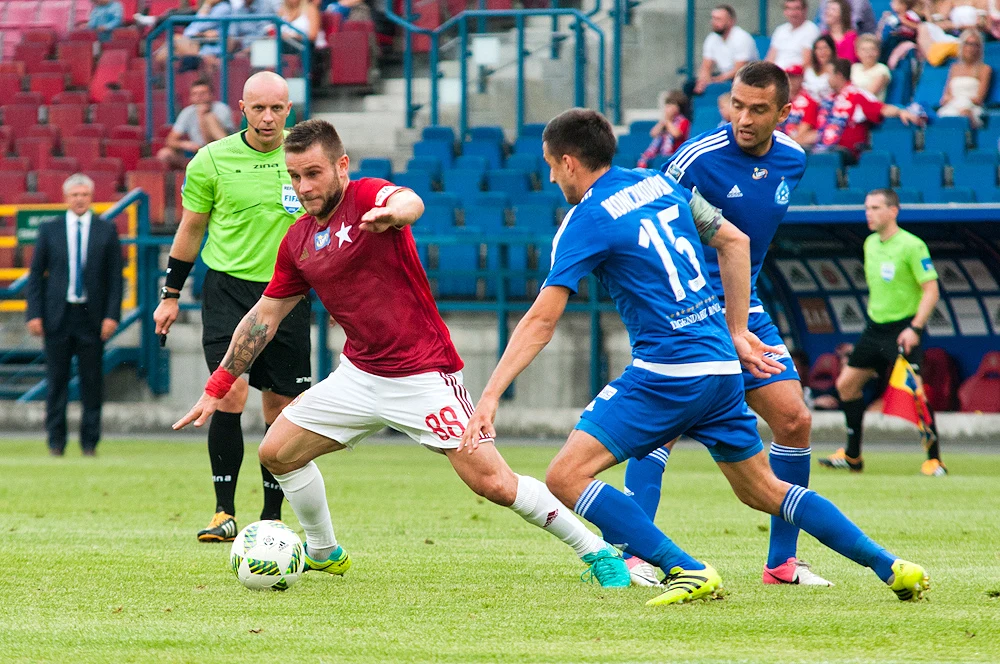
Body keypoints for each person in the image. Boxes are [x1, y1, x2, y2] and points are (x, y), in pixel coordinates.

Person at [461, 107, 930, 607]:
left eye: (552, 165)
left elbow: (541, 321)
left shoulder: (585, 219)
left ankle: (685, 568)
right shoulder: (658, 185)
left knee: (565, 476)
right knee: (764, 490)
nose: (552, 176)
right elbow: (734, 239)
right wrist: (737, 331)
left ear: (571, 162)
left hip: (669, 369)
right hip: (721, 365)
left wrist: (489, 396)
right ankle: (891, 566)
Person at [173, 118, 633, 588]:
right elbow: (263, 317)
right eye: (294, 176)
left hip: (423, 377)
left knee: (494, 483)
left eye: (313, 173)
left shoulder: (368, 196)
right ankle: (325, 551)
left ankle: (598, 552)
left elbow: (408, 200)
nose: (303, 186)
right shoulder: (299, 241)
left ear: (342, 166)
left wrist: (396, 214)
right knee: (277, 453)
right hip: (358, 375)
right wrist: (218, 385)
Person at [622, 62, 827, 588]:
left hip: (745, 307)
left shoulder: (793, 161)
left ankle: (781, 564)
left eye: (758, 110)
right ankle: (635, 555)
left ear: (784, 112)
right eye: (737, 105)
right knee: (660, 430)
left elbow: (750, 245)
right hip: (684, 308)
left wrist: (739, 312)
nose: (744, 118)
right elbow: (648, 219)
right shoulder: (695, 159)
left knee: (793, 420)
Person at [154, 72, 312, 543]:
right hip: (227, 291)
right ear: (241, 107)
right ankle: (224, 511)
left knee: (280, 405)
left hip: (287, 294)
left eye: (277, 109)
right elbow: (191, 228)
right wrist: (170, 294)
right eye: (258, 108)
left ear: (289, 110)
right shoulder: (211, 159)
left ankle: (271, 516)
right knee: (229, 394)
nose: (268, 118)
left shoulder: (305, 157)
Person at [821, 189, 946, 476]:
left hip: (903, 330)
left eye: (876, 207)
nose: (869, 213)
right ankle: (853, 456)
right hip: (874, 329)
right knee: (846, 386)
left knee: (916, 394)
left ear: (893, 211)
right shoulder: (869, 244)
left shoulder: (912, 245)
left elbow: (931, 290)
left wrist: (915, 328)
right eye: (867, 208)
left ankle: (934, 459)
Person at [25, 175, 123, 457]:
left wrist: (111, 316)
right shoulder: (50, 230)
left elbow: (115, 278)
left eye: (84, 194)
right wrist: (34, 313)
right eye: (74, 194)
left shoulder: (106, 230)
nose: (79, 199)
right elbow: (35, 276)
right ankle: (56, 442)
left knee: (92, 381)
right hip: (57, 316)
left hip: (92, 318)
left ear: (91, 196)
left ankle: (89, 443)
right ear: (66, 197)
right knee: (56, 381)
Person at [814, 57, 921, 163]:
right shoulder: (828, 101)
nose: (826, 78)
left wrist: (900, 111)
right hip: (824, 148)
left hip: (847, 153)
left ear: (839, 76)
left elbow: (882, 109)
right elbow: (820, 131)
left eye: (829, 75)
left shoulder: (857, 95)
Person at [156, 78, 236, 170]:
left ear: (211, 95)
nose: (199, 97)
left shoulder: (222, 109)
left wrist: (202, 116)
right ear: (191, 97)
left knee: (209, 118)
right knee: (164, 154)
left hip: (219, 151)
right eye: (195, 94)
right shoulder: (187, 112)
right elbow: (170, 140)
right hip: (197, 152)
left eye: (203, 93)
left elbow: (212, 143)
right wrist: (185, 144)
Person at [691, 5, 759, 95]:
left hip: (745, 79)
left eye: (718, 19)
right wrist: (703, 81)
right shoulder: (711, 38)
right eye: (713, 18)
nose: (713, 22)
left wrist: (716, 81)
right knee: (689, 86)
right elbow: (706, 66)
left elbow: (739, 69)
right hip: (722, 78)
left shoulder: (742, 37)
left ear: (731, 21)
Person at [937, 29, 991, 128]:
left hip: (972, 106)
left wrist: (964, 103)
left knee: (964, 115)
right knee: (944, 116)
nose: (971, 48)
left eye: (975, 44)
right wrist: (949, 100)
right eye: (968, 44)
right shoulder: (954, 68)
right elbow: (946, 95)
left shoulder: (984, 69)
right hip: (953, 104)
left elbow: (979, 98)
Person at [637, 91, 691, 168]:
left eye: (671, 105)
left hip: (675, 154)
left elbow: (676, 134)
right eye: (667, 105)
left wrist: (668, 121)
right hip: (662, 154)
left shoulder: (683, 121)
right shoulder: (664, 122)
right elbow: (653, 133)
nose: (667, 108)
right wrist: (664, 121)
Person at [767, 0, 822, 69]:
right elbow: (770, 58)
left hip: (796, 76)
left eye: (797, 8)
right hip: (777, 74)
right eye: (789, 9)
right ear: (785, 11)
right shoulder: (780, 30)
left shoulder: (811, 29)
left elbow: (807, 63)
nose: (792, 13)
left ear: (805, 10)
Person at [779, 65, 821, 148]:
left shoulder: (809, 102)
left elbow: (804, 128)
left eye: (794, 77)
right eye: (789, 77)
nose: (791, 81)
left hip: (795, 143)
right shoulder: (780, 100)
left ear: (802, 78)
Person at [851, 34, 892, 100]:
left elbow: (868, 95)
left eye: (872, 49)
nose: (868, 53)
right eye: (864, 49)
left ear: (878, 51)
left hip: (870, 106)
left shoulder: (881, 69)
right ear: (857, 52)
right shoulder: (854, 67)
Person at [805, 34, 837, 99]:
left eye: (825, 48)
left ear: (832, 50)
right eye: (819, 49)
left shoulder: (836, 71)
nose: (822, 52)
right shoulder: (808, 70)